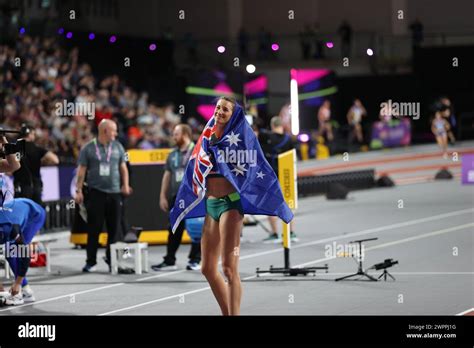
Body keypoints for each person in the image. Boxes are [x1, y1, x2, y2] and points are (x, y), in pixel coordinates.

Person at [169, 97, 293, 315]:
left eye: (225, 109)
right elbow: (196, 165)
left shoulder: (242, 138)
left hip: (231, 205)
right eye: (217, 107)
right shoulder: (206, 135)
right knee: (207, 268)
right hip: (211, 205)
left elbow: (256, 166)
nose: (219, 112)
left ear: (234, 114)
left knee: (228, 268)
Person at [75, 119, 132, 273]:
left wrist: (125, 185)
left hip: (115, 194)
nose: (116, 133)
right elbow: (81, 171)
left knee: (114, 230)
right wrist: (78, 190)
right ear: (105, 130)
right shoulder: (88, 148)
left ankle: (112, 260)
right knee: (94, 229)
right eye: (114, 130)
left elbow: (123, 168)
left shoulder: (118, 147)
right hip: (96, 193)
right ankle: (91, 261)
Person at [152, 124, 201, 271]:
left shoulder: (197, 151)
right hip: (176, 197)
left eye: (176, 134)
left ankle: (195, 259)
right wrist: (162, 196)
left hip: (194, 197)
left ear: (185, 134)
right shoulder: (172, 154)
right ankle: (169, 260)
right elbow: (167, 176)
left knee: (196, 228)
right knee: (173, 228)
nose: (173, 137)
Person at [0, 198, 46, 305]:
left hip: (35, 215)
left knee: (12, 251)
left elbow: (25, 256)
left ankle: (20, 292)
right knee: (10, 251)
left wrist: (17, 283)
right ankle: (26, 290)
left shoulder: (11, 229)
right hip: (18, 208)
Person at [259, 116, 297, 243]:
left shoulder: (267, 138)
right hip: (287, 174)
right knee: (287, 204)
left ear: (272, 125)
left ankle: (275, 233)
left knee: (270, 204)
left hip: (271, 176)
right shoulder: (289, 139)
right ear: (282, 125)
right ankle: (291, 232)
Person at [13, 125, 59, 204]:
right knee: (36, 212)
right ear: (30, 134)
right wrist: (42, 161)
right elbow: (55, 160)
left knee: (23, 212)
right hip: (36, 186)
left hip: (21, 186)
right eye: (33, 134)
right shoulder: (37, 148)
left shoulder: (15, 148)